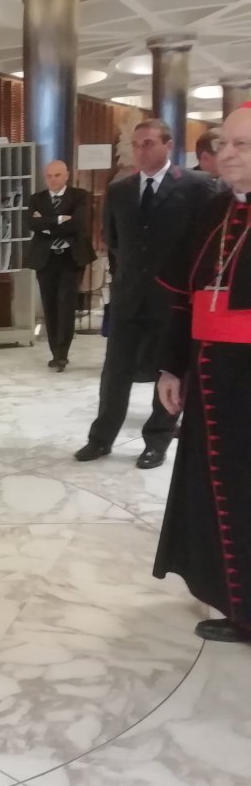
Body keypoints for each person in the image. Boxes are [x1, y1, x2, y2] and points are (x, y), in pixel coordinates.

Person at [153, 102, 251, 645]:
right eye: (223, 144)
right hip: (213, 379)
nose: (227, 154)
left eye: (242, 144)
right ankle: (240, 605)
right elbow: (182, 299)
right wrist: (172, 366)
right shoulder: (214, 209)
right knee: (221, 492)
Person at [75, 118, 214, 470]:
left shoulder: (196, 187)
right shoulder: (120, 190)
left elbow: (202, 244)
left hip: (172, 298)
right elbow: (113, 240)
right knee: (115, 371)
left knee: (167, 371)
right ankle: (101, 438)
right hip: (129, 296)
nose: (140, 151)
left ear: (169, 145)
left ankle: (157, 440)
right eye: (136, 145)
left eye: (148, 143)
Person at [25, 159, 96, 371]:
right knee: (50, 306)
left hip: (70, 258)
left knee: (66, 305)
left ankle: (62, 354)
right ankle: (54, 351)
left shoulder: (80, 196)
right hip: (45, 259)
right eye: (49, 176)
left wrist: (46, 224)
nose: (53, 180)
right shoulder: (36, 199)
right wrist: (60, 219)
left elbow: (78, 223)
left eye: (57, 175)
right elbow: (32, 224)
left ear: (66, 176)